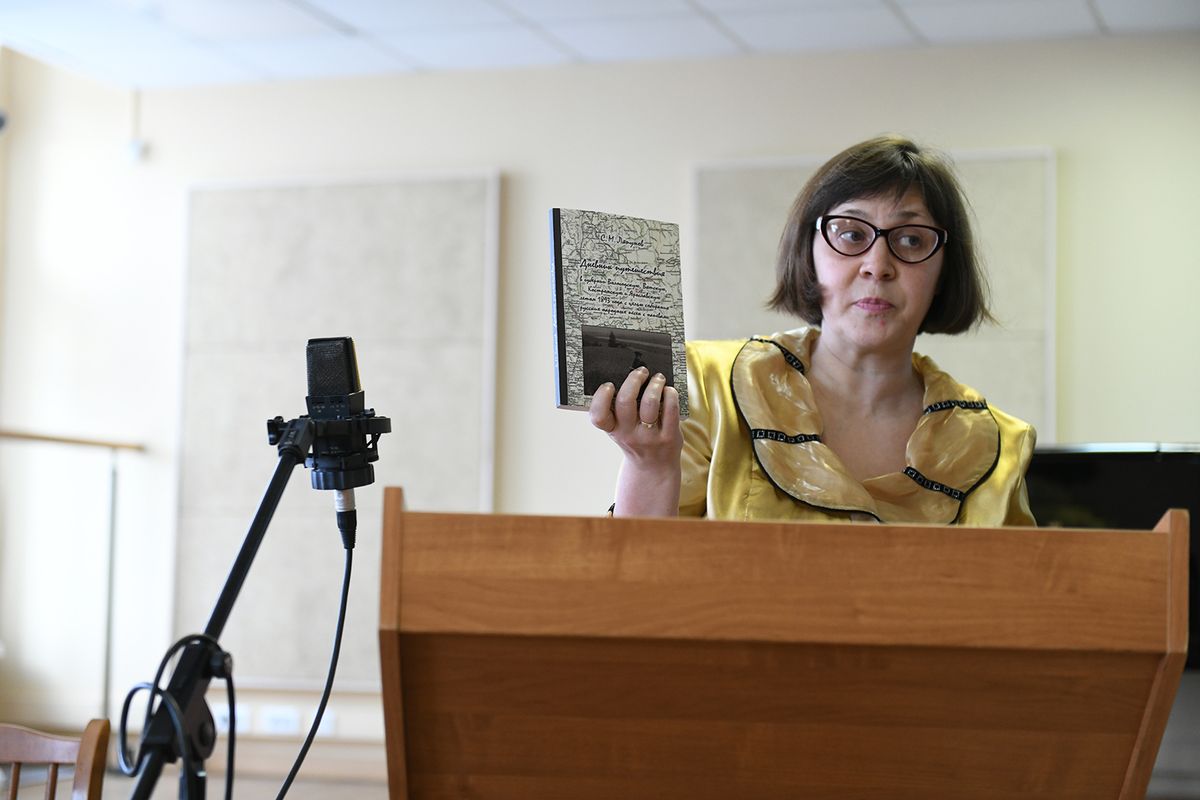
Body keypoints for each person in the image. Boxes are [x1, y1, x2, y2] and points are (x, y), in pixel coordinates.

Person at [589, 135, 1035, 526]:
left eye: (911, 239)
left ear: (944, 271)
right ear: (809, 253)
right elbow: (634, 580)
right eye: (851, 234)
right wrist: (648, 466)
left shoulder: (1000, 446)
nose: (877, 266)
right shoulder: (705, 385)